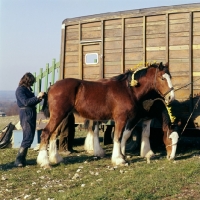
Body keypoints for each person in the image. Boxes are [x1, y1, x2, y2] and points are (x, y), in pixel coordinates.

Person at [14, 72, 45, 167]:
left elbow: (31, 102)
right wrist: (37, 97)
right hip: (26, 113)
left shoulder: (27, 89)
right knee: (27, 136)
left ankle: (22, 159)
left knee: (30, 136)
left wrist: (38, 99)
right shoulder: (20, 90)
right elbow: (25, 102)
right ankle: (19, 159)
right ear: (27, 81)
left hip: (31, 112)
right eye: (31, 82)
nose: (32, 84)